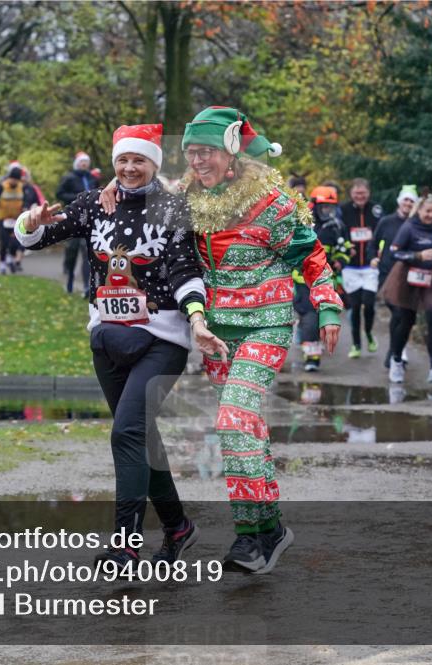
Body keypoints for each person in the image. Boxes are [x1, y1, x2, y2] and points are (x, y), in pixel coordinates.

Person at [16, 124, 217, 567]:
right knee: (142, 437)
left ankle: (125, 542)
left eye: (139, 160)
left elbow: (185, 269)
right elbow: (42, 233)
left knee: (126, 432)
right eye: (123, 160)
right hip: (107, 339)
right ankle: (179, 527)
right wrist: (30, 225)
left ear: (153, 164)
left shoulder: (173, 207)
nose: (129, 168)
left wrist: (197, 320)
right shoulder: (94, 202)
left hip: (161, 341)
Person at [178, 107, 343, 573]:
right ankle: (259, 533)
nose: (197, 161)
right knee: (241, 432)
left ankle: (261, 534)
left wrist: (327, 305)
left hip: (265, 324)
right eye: (191, 152)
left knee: (234, 421)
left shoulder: (271, 203)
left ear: (231, 155)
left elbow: (311, 255)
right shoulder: (186, 200)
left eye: (206, 151)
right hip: (216, 335)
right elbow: (139, 198)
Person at [380, 193, 432, 383]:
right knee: (406, 320)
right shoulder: (409, 227)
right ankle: (396, 360)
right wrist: (417, 256)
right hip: (407, 278)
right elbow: (394, 253)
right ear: (419, 210)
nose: (431, 215)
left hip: (430, 278)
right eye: (427, 211)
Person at [294, 185, 348, 372]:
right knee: (309, 317)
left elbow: (345, 249)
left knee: (321, 316)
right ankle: (312, 357)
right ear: (315, 206)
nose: (327, 212)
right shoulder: (302, 225)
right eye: (324, 207)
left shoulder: (337, 227)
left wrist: (341, 261)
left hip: (326, 281)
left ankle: (311, 344)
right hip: (303, 281)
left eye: (330, 208)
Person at [372, 185, 418, 369]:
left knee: (406, 317)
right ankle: (395, 353)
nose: (408, 203)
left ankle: (396, 351)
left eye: (412, 201)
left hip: (410, 275)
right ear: (400, 201)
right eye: (406, 200)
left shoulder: (417, 223)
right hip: (387, 274)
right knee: (398, 313)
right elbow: (374, 243)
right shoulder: (386, 222)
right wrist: (372, 258)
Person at [339, 178, 384, 358]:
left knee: (370, 304)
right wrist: (343, 250)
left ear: (368, 193)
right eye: (357, 193)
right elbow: (338, 233)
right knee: (355, 306)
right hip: (350, 267)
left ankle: (369, 333)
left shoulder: (376, 210)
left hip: (370, 266)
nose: (360, 196)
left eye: (363, 193)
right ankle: (356, 344)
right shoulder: (343, 210)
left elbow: (382, 234)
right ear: (351, 194)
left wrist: (379, 253)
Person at [58, 152, 99, 296]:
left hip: (90, 220)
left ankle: (87, 287)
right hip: (73, 219)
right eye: (82, 162)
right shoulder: (69, 178)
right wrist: (79, 198)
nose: (84, 164)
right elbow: (60, 194)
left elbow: (99, 194)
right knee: (72, 251)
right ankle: (69, 277)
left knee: (87, 252)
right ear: (77, 163)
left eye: (86, 162)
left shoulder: (92, 178)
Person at [0, 167, 38, 274]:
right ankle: (2, 265)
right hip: (3, 218)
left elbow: (26, 200)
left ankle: (10, 259)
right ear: (9, 178)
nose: (14, 182)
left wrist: (25, 207)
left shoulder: (21, 187)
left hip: (16, 219)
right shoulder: (2, 186)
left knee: (14, 243)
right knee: (4, 242)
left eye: (16, 180)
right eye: (12, 179)